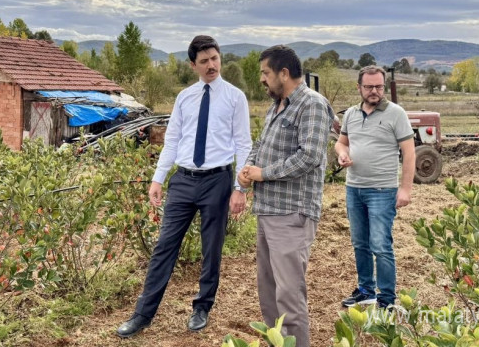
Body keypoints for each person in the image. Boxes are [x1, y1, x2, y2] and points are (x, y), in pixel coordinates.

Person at [116, 35, 252, 338]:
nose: (211, 65)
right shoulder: (185, 98)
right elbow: (172, 140)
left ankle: (202, 307)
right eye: (204, 61)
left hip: (217, 180)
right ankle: (143, 314)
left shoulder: (235, 97)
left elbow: (244, 144)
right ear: (193, 65)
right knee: (164, 247)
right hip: (183, 181)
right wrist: (158, 178)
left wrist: (239, 188)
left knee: (211, 248)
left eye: (214, 58)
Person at [238, 45, 334, 347]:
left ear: (284, 73)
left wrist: (263, 174)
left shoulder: (312, 105)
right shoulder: (277, 105)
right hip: (267, 212)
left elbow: (310, 156)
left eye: (265, 73)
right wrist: (246, 171)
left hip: (292, 214)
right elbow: (260, 144)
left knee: (289, 297)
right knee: (269, 295)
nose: (262, 80)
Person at [334, 65, 414, 310]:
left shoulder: (396, 113)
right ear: (359, 87)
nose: (374, 91)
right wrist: (342, 155)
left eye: (378, 86)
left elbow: (409, 153)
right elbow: (341, 143)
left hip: (382, 191)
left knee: (380, 245)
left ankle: (387, 299)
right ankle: (366, 290)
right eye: (368, 87)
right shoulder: (351, 114)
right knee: (360, 243)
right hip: (354, 188)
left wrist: (405, 189)